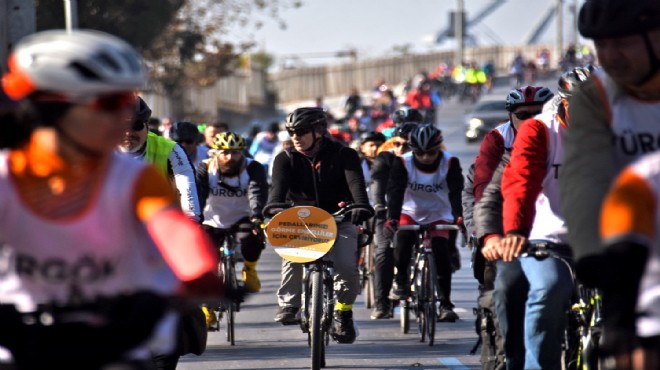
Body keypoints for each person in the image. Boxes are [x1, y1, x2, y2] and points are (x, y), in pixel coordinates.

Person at [0, 29, 224, 369]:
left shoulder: (131, 176)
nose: (123, 121)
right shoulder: (4, 178)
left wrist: (199, 270)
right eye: (109, 105)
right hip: (19, 340)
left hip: (115, 335)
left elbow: (171, 228)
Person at [560, 0, 660, 366]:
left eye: (621, 43)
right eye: (600, 45)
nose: (609, 56)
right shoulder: (596, 95)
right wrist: (591, 255)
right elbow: (585, 177)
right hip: (633, 247)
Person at [480, 67, 593, 370]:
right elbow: (520, 183)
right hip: (548, 237)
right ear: (565, 103)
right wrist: (511, 231)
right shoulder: (539, 131)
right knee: (547, 290)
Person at [267, 107, 373, 344]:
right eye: (291, 131)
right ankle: (289, 305)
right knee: (292, 255)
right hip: (303, 221)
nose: (295, 136)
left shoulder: (344, 155)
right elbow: (277, 193)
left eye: (302, 131)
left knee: (346, 266)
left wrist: (360, 206)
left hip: (339, 218)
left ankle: (343, 312)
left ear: (318, 131)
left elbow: (357, 187)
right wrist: (274, 207)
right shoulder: (284, 159)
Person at [384, 124, 464, 322]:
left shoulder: (450, 162)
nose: (426, 157)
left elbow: (456, 192)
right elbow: (395, 192)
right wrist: (392, 218)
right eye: (420, 153)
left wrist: (459, 217)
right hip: (410, 210)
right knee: (403, 240)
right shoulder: (403, 163)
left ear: (439, 149)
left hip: (439, 212)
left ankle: (445, 304)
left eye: (431, 152)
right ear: (413, 150)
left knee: (441, 254)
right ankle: (401, 278)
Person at [196, 131, 268, 328]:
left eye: (235, 153)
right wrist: (196, 219)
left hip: (243, 216)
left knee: (252, 237)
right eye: (225, 152)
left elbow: (256, 192)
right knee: (204, 262)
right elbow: (199, 195)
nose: (230, 157)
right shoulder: (205, 168)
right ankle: (207, 310)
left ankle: (250, 269)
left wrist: (256, 215)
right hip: (211, 219)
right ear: (216, 153)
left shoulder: (253, 167)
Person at [599, 152, 660, 370]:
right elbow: (623, 255)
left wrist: (616, 326)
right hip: (652, 318)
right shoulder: (641, 181)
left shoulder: (642, 178)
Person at [119, 97, 203, 223]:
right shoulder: (95, 149)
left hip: (158, 222)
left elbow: (187, 189)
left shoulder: (171, 150)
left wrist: (191, 221)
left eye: (136, 125)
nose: (128, 133)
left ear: (147, 126)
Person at [369, 122, 418, 319]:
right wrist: (379, 205)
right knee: (383, 252)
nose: (400, 149)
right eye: (396, 144)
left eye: (406, 145)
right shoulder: (385, 158)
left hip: (417, 213)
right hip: (389, 213)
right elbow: (378, 184)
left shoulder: (427, 159)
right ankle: (382, 303)